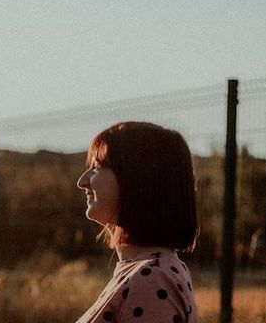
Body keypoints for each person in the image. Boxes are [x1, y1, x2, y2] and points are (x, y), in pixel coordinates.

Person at [76, 122, 199, 323]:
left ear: (137, 178)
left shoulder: (151, 278)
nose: (82, 181)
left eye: (97, 167)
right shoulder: (143, 271)